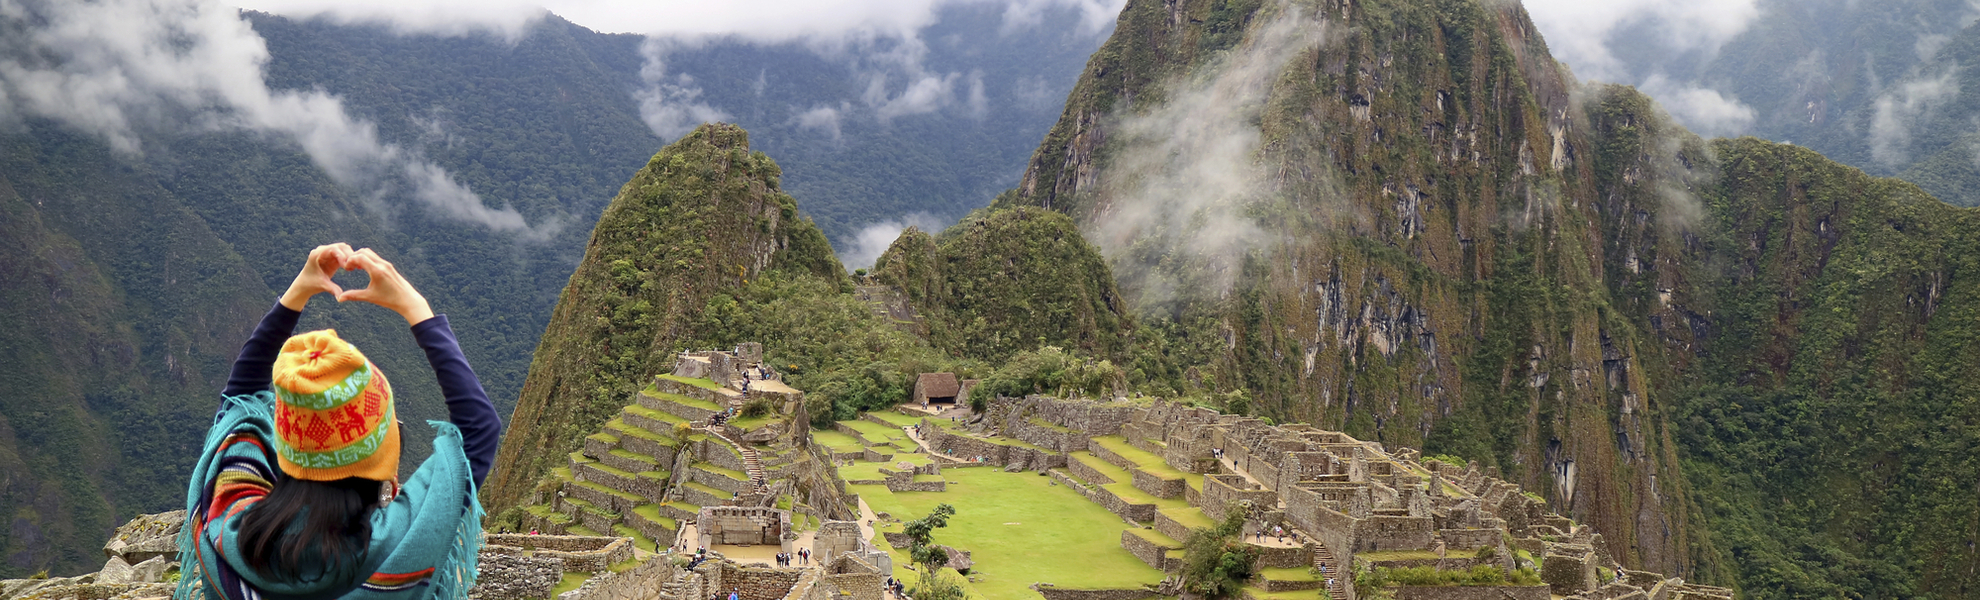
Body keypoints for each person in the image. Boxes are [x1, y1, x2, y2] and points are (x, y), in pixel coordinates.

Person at [175, 244, 503, 600]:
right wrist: (416, 309)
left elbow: (240, 398)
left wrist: (298, 292)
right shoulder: (397, 544)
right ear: (380, 456)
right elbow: (479, 429)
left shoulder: (232, 534)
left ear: (287, 448)